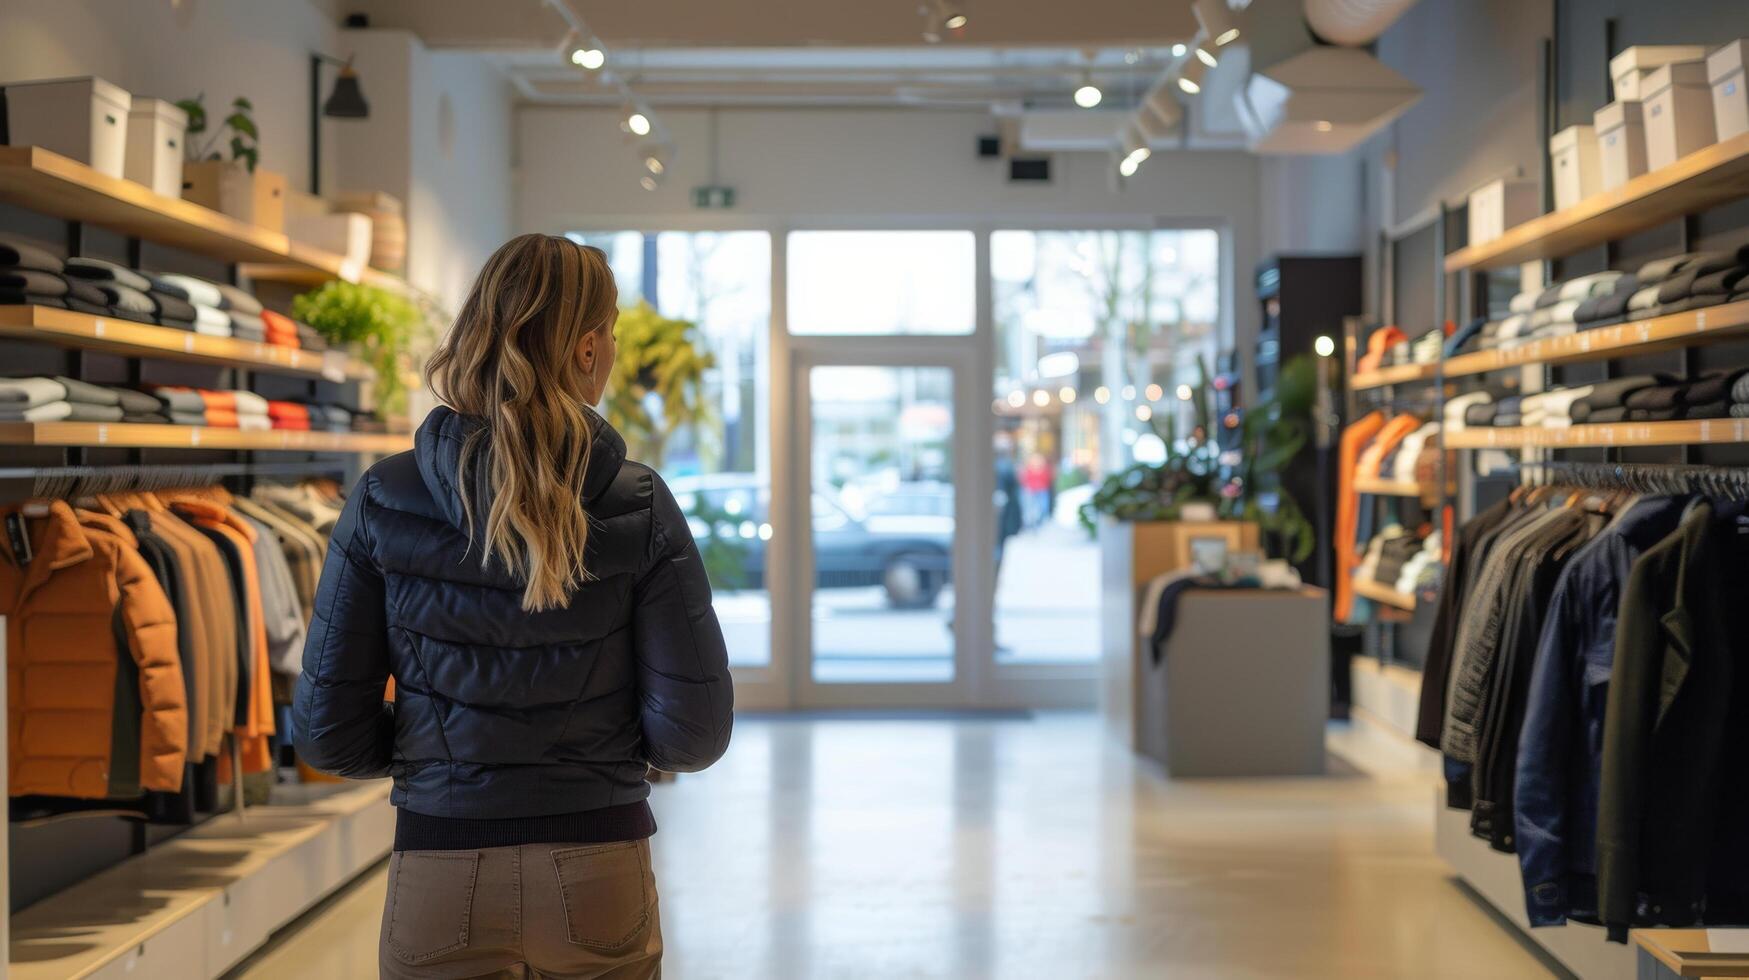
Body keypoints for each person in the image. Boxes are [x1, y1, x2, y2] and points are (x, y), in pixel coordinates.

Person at [291, 234, 733, 979]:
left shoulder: (381, 498)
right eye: (614, 335)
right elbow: (692, 734)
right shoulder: (641, 504)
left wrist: (436, 751)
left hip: (438, 867)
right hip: (599, 864)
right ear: (587, 349)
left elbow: (327, 735)